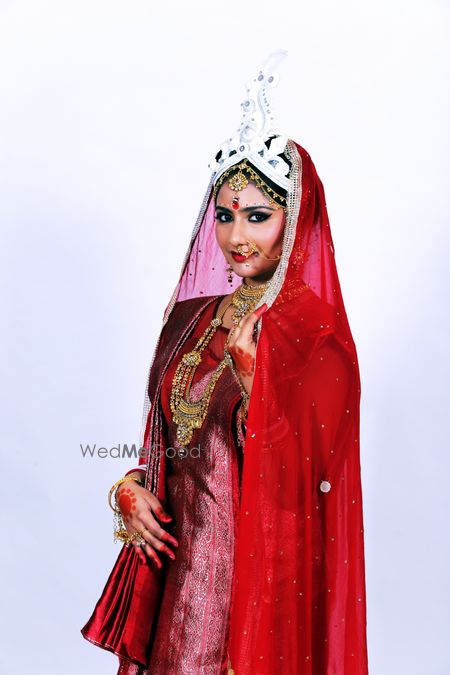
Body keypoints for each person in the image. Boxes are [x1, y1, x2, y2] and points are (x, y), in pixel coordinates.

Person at [81, 51, 369, 675]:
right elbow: (173, 446)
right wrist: (129, 489)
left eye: (258, 217)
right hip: (175, 588)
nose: (237, 237)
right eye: (225, 216)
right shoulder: (189, 318)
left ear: (296, 218)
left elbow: (315, 486)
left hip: (256, 599)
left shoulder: (314, 336)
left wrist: (254, 380)